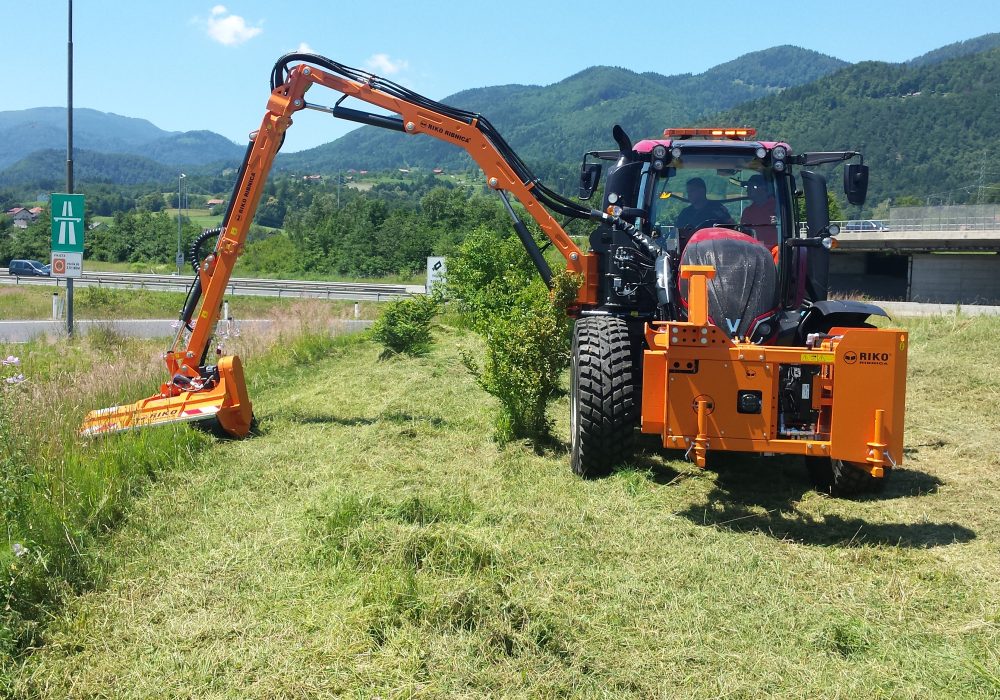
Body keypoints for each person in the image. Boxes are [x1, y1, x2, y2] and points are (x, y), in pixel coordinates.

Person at [740, 174, 778, 247]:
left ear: (763, 188)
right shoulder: (747, 212)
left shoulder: (778, 209)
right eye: (747, 187)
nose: (747, 190)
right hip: (754, 251)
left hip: (776, 253)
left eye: (751, 187)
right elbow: (743, 233)